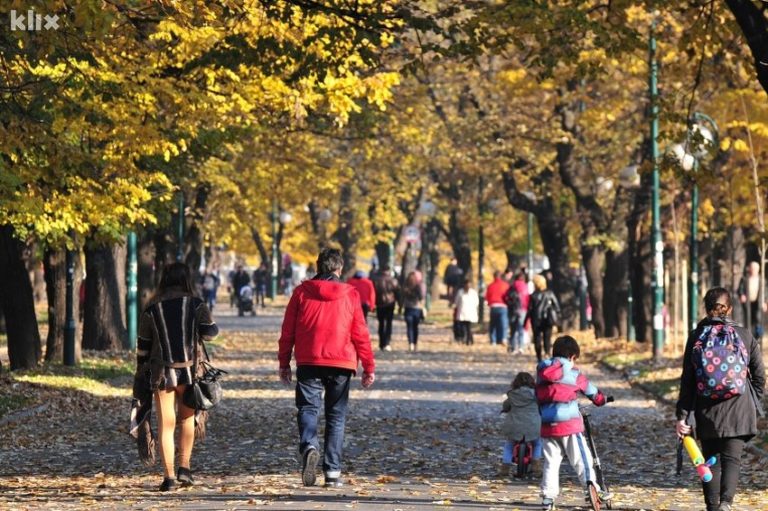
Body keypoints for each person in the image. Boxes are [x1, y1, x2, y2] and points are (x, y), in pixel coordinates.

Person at [278, 248, 376, 488]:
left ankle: (309, 445)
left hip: (309, 360)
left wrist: (284, 363)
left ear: (318, 267)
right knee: (336, 416)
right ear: (339, 269)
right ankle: (332, 472)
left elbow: (287, 330)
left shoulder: (301, 293)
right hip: (341, 362)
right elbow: (360, 333)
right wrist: (368, 366)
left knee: (307, 408)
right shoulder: (350, 295)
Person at [675, 287, 765, 511]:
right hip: (739, 408)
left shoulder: (696, 337)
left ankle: (713, 507)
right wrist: (753, 400)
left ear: (706, 309)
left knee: (710, 461)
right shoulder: (744, 335)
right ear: (730, 308)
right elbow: (760, 375)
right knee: (732, 459)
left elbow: (687, 381)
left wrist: (682, 416)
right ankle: (726, 503)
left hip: (707, 410)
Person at [131, 262, 219, 491]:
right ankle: (185, 468)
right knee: (187, 420)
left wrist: (141, 371)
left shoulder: (151, 309)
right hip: (190, 372)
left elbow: (143, 346)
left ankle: (168, 477)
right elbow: (211, 333)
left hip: (162, 373)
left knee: (166, 424)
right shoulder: (196, 304)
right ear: (186, 280)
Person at [536, 335, 608, 511]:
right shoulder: (574, 373)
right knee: (582, 459)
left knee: (551, 463)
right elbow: (592, 393)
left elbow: (537, 394)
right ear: (572, 356)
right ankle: (592, 488)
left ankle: (548, 498)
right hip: (570, 426)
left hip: (547, 424)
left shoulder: (541, 370)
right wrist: (602, 399)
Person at [499, 372, 542, 477]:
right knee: (537, 443)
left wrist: (505, 409)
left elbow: (506, 405)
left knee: (509, 445)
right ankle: (536, 465)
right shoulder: (537, 395)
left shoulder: (512, 394)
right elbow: (542, 406)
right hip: (533, 425)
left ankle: (505, 468)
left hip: (515, 425)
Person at [527, 274, 560, 362]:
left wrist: (526, 320)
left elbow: (530, 309)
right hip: (548, 319)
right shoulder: (550, 293)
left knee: (537, 338)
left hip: (536, 319)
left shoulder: (533, 295)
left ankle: (539, 357)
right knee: (547, 337)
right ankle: (547, 353)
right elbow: (557, 307)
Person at [373, 265, 399, 351]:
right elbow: (397, 292)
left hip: (380, 304)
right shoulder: (393, 280)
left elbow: (373, 293)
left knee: (381, 324)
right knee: (389, 324)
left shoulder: (376, 280)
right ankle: (387, 343)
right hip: (390, 304)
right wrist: (400, 304)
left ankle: (381, 343)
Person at [738, 261, 765, 340]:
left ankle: (759, 337)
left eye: (755, 269)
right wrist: (742, 295)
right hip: (748, 304)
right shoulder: (744, 279)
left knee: (758, 320)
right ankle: (749, 338)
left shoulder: (761, 280)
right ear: (749, 269)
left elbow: (765, 292)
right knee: (748, 321)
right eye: (752, 268)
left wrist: (765, 302)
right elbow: (740, 289)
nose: (754, 270)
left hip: (758, 303)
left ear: (758, 270)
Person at [485, 271, 510, 346]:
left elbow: (487, 296)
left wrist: (489, 303)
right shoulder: (505, 285)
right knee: (503, 323)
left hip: (493, 306)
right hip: (503, 306)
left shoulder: (490, 286)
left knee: (493, 324)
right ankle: (503, 338)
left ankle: (493, 340)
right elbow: (508, 296)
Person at [401, 271, 424, 351]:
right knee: (415, 327)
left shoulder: (405, 287)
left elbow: (402, 297)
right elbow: (421, 297)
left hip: (408, 308)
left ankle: (410, 343)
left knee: (409, 327)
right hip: (416, 308)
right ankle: (415, 342)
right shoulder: (417, 286)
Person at [454, 279, 479, 345]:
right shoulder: (462, 292)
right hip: (466, 312)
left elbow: (456, 302)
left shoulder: (463, 292)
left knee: (466, 327)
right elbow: (477, 303)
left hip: (466, 312)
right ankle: (468, 339)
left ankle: (467, 339)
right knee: (467, 327)